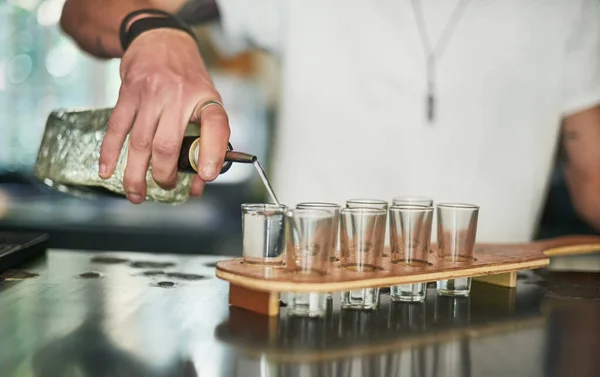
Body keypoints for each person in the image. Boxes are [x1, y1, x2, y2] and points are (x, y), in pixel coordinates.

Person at [60, 0, 600, 242]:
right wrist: (153, 28)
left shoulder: (574, 7)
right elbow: (82, 10)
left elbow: (592, 180)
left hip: (493, 322)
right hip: (305, 319)